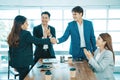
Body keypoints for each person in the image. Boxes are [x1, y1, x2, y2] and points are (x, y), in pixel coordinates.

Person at [7, 15, 55, 80]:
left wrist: (14, 64)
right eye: (26, 23)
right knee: (25, 78)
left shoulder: (12, 34)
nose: (28, 24)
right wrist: (49, 40)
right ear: (22, 24)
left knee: (23, 77)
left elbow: (10, 51)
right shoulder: (26, 33)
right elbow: (37, 41)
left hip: (16, 63)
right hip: (24, 63)